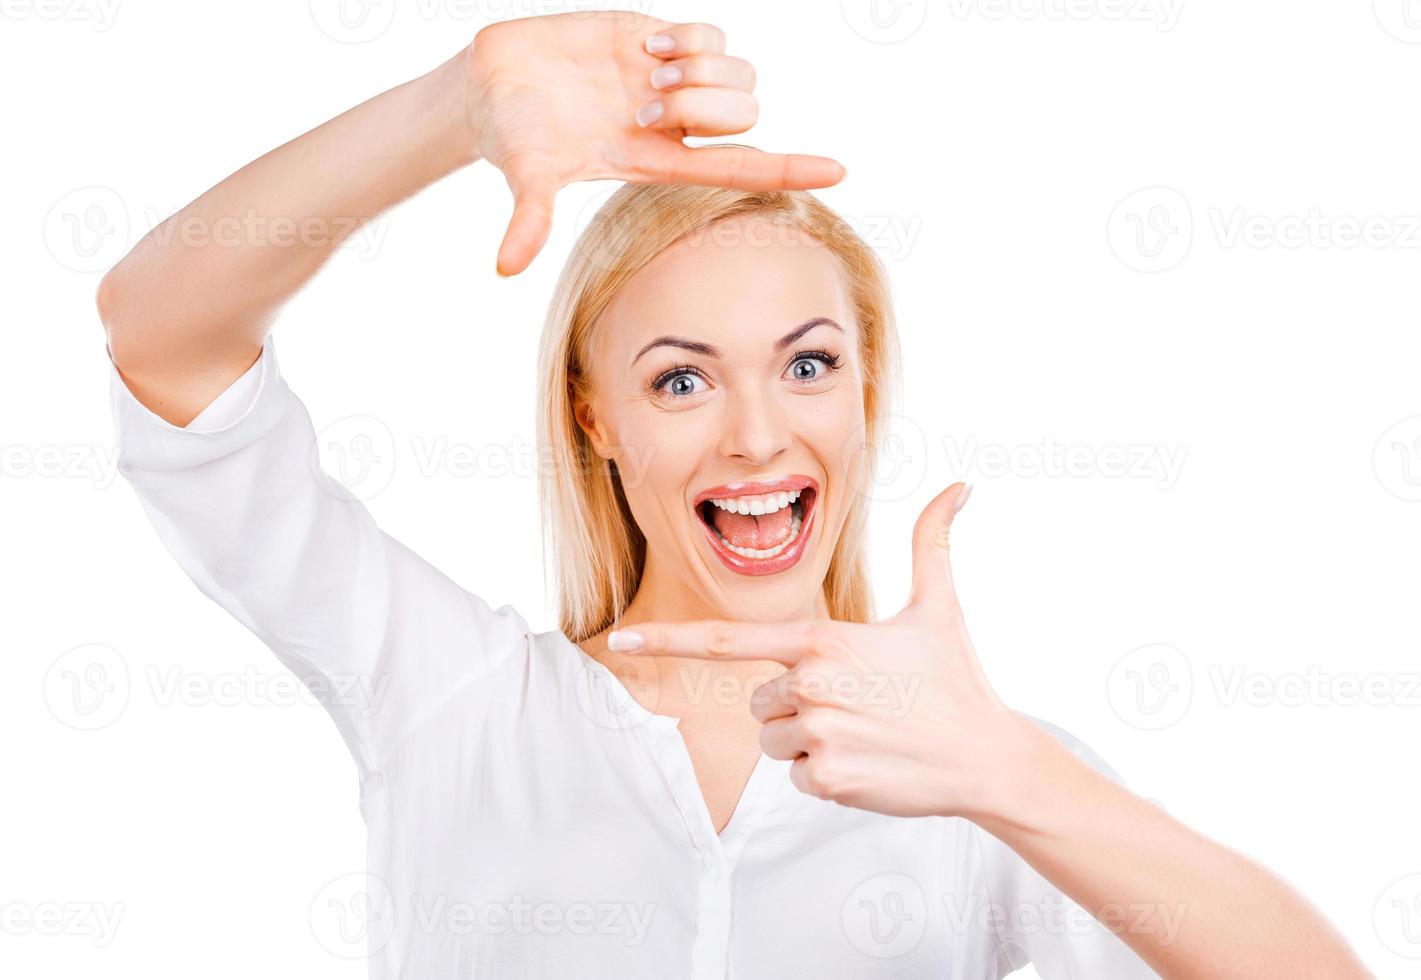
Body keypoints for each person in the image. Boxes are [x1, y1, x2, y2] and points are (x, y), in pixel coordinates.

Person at [96, 12, 1371, 978]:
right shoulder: (446, 694)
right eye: (680, 380)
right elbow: (161, 336)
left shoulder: (968, 769)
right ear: (593, 416)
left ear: (864, 392)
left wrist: (1010, 774)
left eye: (806, 364)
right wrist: (452, 106)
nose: (758, 437)